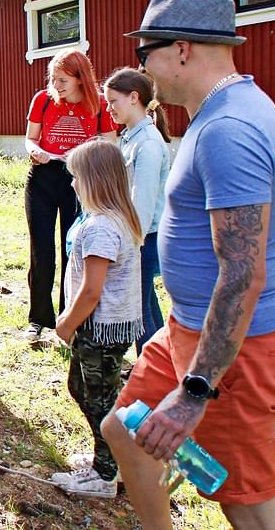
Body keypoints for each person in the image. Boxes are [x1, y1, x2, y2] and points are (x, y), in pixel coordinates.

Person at [101, 0, 275, 530]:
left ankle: (202, 455)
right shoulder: (219, 113)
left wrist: (194, 393)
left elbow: (241, 275)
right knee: (125, 428)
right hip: (186, 330)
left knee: (249, 505)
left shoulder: (226, 131)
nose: (143, 71)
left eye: (146, 56)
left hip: (236, 350)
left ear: (182, 50)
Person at [50, 140, 144, 498]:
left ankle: (107, 473)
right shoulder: (119, 217)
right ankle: (110, 455)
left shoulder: (101, 227)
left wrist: (67, 323)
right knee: (87, 390)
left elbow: (92, 291)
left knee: (98, 400)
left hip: (99, 328)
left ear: (94, 180)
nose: (72, 184)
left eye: (76, 177)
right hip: (110, 327)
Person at [24, 49, 117, 343]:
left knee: (74, 248)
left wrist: (85, 153)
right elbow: (30, 138)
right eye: (54, 78)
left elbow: (109, 144)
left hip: (80, 180)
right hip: (43, 176)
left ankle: (69, 318)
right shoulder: (43, 99)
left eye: (63, 79)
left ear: (80, 78)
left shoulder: (100, 104)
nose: (57, 84)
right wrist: (35, 151)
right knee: (42, 250)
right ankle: (39, 318)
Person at [103, 68, 171, 359]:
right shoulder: (130, 137)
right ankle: (160, 364)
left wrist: (128, 244)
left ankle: (152, 373)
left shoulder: (148, 144)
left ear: (134, 98)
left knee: (138, 307)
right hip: (135, 234)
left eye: (113, 101)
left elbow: (142, 205)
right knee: (145, 302)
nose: (109, 108)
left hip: (143, 237)